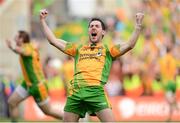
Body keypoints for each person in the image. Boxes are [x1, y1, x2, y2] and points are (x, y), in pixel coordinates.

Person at [40, 9, 144, 122]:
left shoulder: (108, 50)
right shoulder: (78, 49)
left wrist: (138, 25)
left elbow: (130, 44)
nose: (93, 27)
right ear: (88, 30)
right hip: (76, 94)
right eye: (91, 26)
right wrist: (42, 21)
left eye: (97, 26)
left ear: (103, 32)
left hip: (96, 93)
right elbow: (53, 40)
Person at [6, 30, 63, 121]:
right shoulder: (31, 46)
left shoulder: (27, 48)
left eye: (16, 37)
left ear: (21, 39)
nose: (14, 39)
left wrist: (12, 47)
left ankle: (71, 119)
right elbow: (35, 45)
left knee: (48, 111)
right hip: (27, 83)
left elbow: (22, 51)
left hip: (37, 86)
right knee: (12, 102)